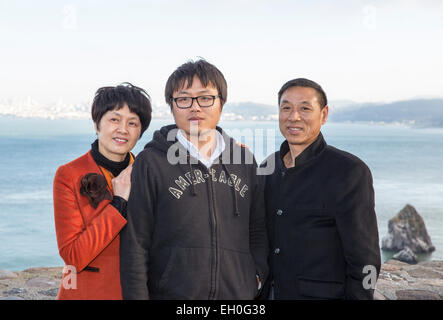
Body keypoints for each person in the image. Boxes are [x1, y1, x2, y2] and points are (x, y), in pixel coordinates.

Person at [120, 59, 268, 300]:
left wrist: (256, 277)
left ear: (221, 103)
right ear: (172, 105)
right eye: (184, 99)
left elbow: (258, 228)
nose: (195, 107)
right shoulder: (152, 162)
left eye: (206, 98)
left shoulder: (244, 160)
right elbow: (135, 243)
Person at [261, 78, 381, 300]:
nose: (293, 116)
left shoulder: (349, 171)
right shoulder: (268, 168)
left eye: (305, 108)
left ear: (323, 115)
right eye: (286, 108)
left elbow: (366, 258)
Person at [53, 83, 152, 299]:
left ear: (140, 132)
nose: (123, 129)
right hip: (87, 294)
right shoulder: (69, 175)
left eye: (133, 123)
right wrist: (118, 203)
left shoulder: (148, 174)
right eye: (114, 119)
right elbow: (73, 255)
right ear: (97, 123)